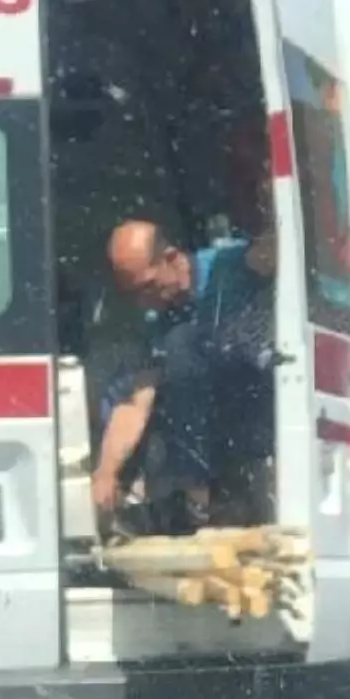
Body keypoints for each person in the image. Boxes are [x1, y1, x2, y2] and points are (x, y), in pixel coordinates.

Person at [92, 219, 275, 532]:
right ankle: (194, 501)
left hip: (263, 414)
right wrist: (106, 472)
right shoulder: (159, 319)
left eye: (147, 286)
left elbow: (290, 244)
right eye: (134, 294)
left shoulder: (232, 265)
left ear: (172, 258)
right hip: (211, 440)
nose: (144, 301)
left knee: (184, 343)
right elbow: (138, 400)